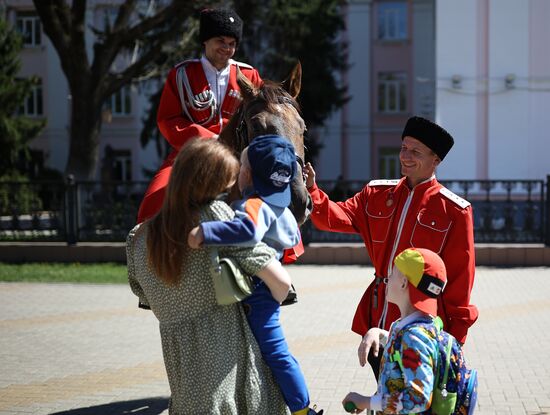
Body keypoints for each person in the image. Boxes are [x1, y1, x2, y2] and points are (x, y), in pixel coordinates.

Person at [127, 138, 292, 414]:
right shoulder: (214, 216)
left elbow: (142, 294)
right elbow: (282, 282)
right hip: (228, 361)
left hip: (181, 369)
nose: (228, 190)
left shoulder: (139, 237)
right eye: (224, 183)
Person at [304, 116, 478, 377]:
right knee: (386, 395)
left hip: (422, 327)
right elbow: (333, 217)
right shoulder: (376, 194)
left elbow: (460, 281)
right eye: (404, 148)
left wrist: (454, 341)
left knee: (413, 400)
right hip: (378, 318)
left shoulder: (453, 210)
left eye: (415, 152)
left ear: (436, 160)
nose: (405, 157)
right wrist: (312, 190)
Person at [187, 134, 322, 415]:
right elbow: (291, 237)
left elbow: (248, 232)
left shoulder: (256, 205)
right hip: (265, 290)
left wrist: (205, 232)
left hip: (256, 292)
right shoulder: (280, 207)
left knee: (275, 352)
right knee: (273, 351)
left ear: (246, 174)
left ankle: (301, 408)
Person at [137, 8, 262, 223]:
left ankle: (282, 253)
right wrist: (208, 139)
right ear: (205, 41)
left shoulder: (249, 75)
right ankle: (145, 253)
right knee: (152, 202)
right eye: (220, 40)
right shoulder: (181, 73)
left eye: (232, 43)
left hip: (241, 155)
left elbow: (260, 117)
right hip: (190, 152)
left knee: (277, 194)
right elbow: (168, 119)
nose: (227, 48)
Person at [342, 248, 447, 413]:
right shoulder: (427, 324)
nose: (386, 280)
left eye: (391, 275)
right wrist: (378, 332)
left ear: (404, 283)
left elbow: (417, 400)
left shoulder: (413, 338)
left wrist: (366, 402)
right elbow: (402, 347)